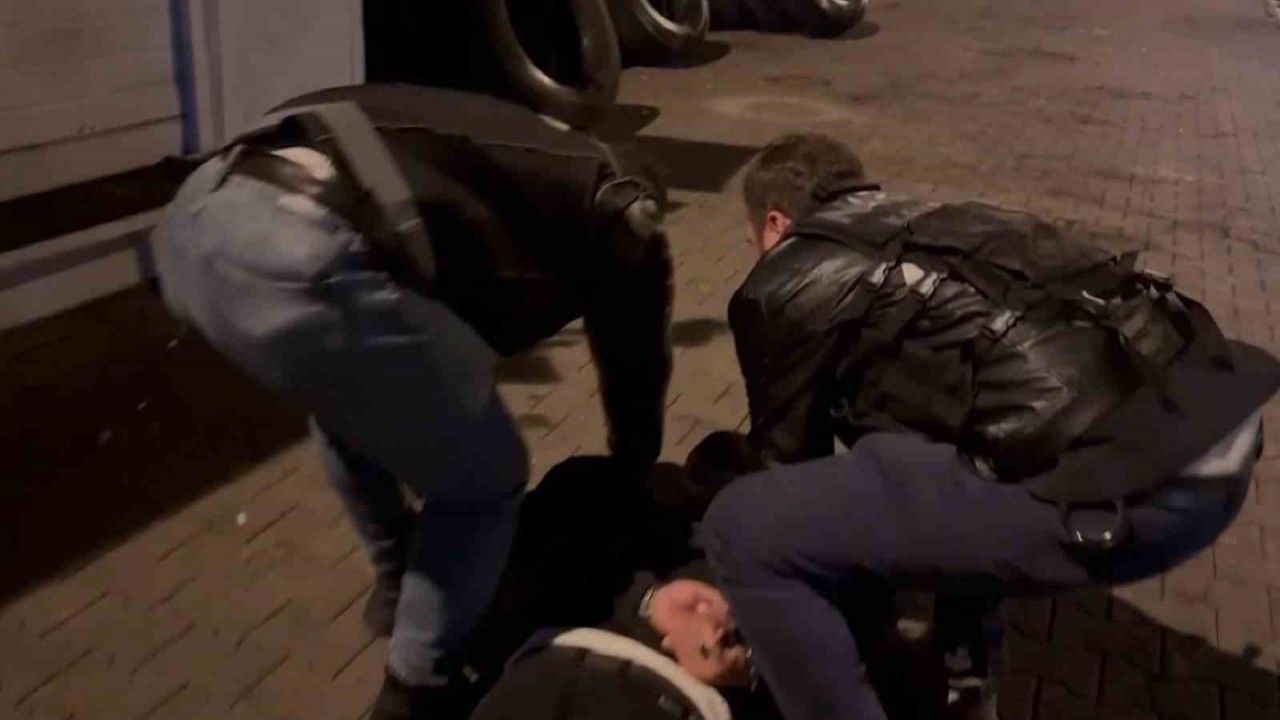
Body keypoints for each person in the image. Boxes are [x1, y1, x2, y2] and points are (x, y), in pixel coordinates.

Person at [698, 133, 1280, 720]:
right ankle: (967, 682)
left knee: (744, 530)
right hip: (1217, 425)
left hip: (1144, 484)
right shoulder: (930, 220)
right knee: (935, 464)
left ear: (775, 224)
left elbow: (789, 463)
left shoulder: (782, 281)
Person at [149, 84, 673, 720]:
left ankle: (398, 580)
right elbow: (634, 357)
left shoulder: (521, 146)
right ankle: (418, 689)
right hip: (303, 256)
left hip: (199, 217)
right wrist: (635, 467)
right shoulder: (613, 211)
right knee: (485, 481)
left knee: (347, 400)